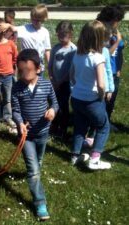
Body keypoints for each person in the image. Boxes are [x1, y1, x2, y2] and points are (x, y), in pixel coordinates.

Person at [12, 49, 58, 221]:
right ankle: (40, 203)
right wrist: (19, 122)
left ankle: (35, 172)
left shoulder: (46, 84)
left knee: (38, 162)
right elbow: (15, 110)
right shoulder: (17, 87)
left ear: (38, 69)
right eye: (20, 71)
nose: (23, 74)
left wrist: (53, 110)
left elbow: (55, 102)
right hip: (27, 136)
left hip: (43, 133)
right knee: (33, 170)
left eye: (28, 71)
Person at [70, 20, 111, 170]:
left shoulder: (77, 54)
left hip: (76, 98)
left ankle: (75, 155)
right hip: (92, 100)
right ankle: (95, 159)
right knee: (103, 126)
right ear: (100, 38)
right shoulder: (98, 58)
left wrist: (79, 87)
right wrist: (101, 96)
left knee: (80, 127)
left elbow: (72, 76)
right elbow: (101, 84)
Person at [0, 4, 51, 77]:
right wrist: (8, 25)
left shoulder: (45, 32)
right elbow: (13, 28)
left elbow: (47, 50)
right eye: (33, 19)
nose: (34, 21)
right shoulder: (25, 28)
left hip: (39, 65)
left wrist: (50, 65)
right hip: (26, 64)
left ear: (43, 19)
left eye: (37, 20)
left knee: (38, 86)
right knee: (24, 86)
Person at [97, 5, 125, 131]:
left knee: (111, 99)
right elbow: (104, 53)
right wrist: (118, 41)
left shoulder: (114, 30)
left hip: (114, 70)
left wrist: (119, 68)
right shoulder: (99, 30)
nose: (118, 23)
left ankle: (106, 122)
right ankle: (98, 125)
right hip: (103, 70)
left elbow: (120, 51)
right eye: (117, 20)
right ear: (112, 19)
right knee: (101, 99)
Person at [48, 21, 77, 140]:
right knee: (53, 104)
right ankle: (54, 125)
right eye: (59, 35)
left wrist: (60, 82)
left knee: (63, 106)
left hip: (65, 83)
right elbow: (50, 65)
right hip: (54, 83)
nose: (61, 38)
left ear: (70, 34)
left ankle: (63, 128)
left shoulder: (73, 49)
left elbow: (71, 70)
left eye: (63, 36)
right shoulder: (56, 48)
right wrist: (52, 78)